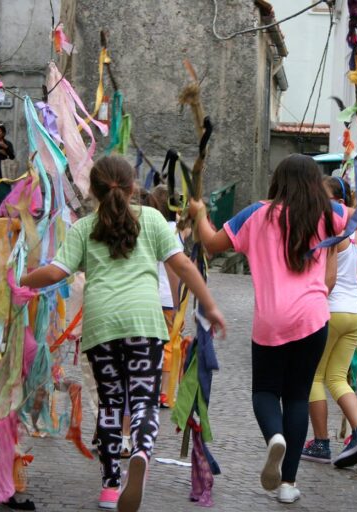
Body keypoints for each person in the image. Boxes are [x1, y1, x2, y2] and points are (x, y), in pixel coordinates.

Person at [20, 155, 226, 512]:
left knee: (111, 404)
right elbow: (183, 266)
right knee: (144, 400)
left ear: (93, 191)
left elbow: (55, 273)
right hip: (144, 323)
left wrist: (20, 280)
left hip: (101, 326)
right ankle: (142, 452)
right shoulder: (153, 220)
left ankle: (110, 488)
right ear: (133, 188)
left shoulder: (85, 227)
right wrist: (210, 306)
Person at [188, 154, 357, 504]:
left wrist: (199, 212)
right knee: (297, 396)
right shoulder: (326, 214)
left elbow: (212, 243)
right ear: (312, 182)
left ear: (278, 179)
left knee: (264, 391)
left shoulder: (257, 214)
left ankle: (274, 437)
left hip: (271, 320)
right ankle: (288, 483)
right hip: (314, 318)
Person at [302, 176, 357, 468]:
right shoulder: (356, 234)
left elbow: (328, 280)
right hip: (354, 313)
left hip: (331, 311)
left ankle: (321, 443)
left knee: (314, 377)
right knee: (336, 377)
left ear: (340, 203)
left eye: (324, 197)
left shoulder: (330, 231)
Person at [148, 184, 189, 408]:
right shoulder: (176, 231)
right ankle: (165, 392)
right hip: (168, 298)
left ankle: (152, 389)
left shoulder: (150, 227)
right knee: (170, 345)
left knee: (153, 344)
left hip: (149, 296)